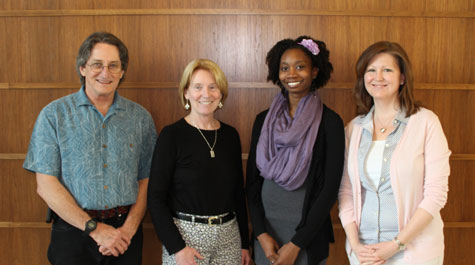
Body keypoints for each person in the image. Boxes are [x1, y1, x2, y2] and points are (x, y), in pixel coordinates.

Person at [23, 32, 157, 265]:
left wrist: (128, 229)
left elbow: (147, 178)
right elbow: (45, 185)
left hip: (125, 235)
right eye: (97, 64)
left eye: (113, 66)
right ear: (82, 68)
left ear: (122, 72)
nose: (105, 73)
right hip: (72, 232)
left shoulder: (140, 118)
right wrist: (95, 229)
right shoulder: (54, 115)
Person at [338, 41, 450, 265]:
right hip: (365, 252)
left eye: (387, 70)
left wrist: (396, 244)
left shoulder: (426, 122)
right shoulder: (354, 129)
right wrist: (356, 245)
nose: (377, 77)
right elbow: (346, 193)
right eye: (371, 70)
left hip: (415, 251)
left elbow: (436, 194)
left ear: (402, 78)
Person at [246, 36, 345, 265]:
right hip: (267, 237)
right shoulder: (262, 120)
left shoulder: (330, 123)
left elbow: (329, 189)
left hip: (306, 237)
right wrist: (260, 233)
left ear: (315, 71)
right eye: (284, 68)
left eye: (300, 67)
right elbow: (252, 183)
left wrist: (297, 243)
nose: (291, 74)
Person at [147, 59, 250, 265]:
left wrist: (244, 244)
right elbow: (156, 197)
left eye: (213, 87)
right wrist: (177, 248)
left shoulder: (230, 135)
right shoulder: (171, 136)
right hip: (186, 240)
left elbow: (238, 193)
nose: (206, 94)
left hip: (229, 239)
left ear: (221, 93)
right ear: (186, 92)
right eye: (198, 87)